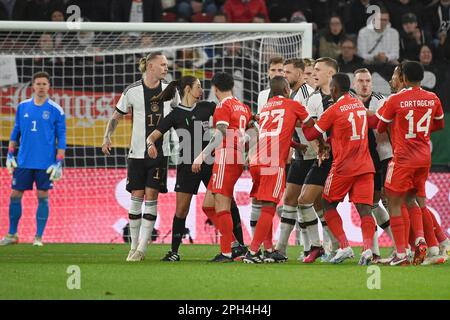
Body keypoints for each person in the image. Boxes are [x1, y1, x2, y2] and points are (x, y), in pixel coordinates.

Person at [145, 76, 246, 261]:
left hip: (210, 162)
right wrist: (149, 143)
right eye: (198, 86)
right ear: (187, 89)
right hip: (186, 165)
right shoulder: (175, 114)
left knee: (228, 203)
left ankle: (240, 245)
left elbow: (230, 117)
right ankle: (174, 252)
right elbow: (154, 135)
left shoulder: (208, 106)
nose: (202, 90)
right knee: (181, 210)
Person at [102, 52, 179, 262]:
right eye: (162, 64)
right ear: (151, 66)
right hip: (136, 153)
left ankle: (142, 249)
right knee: (136, 198)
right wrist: (107, 137)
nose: (166, 67)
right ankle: (133, 245)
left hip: (160, 153)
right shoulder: (132, 91)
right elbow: (116, 116)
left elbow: (179, 115)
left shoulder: (171, 90)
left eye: (166, 64)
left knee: (151, 197)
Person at [303, 73, 377, 265]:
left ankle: (344, 247)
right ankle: (368, 250)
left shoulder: (333, 110)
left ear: (334, 89)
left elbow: (311, 134)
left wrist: (304, 120)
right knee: (365, 210)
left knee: (327, 205)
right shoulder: (360, 106)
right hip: (365, 165)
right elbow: (372, 123)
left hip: (343, 167)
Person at [376, 61, 445, 266]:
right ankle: (421, 240)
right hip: (424, 158)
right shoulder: (433, 98)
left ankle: (401, 253)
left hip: (402, 158)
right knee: (413, 199)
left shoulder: (396, 99)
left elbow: (380, 127)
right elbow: (439, 124)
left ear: (403, 78)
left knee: (394, 202)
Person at [243, 76, 316, 263]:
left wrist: (295, 146)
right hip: (273, 162)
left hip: (257, 160)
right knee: (269, 207)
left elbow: (273, 132)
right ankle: (252, 252)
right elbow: (310, 125)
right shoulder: (293, 104)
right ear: (286, 89)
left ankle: (268, 249)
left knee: (264, 205)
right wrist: (321, 142)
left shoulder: (266, 108)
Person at [192, 72, 253, 262]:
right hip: (236, 158)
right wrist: (248, 152)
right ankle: (235, 245)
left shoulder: (223, 106)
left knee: (222, 205)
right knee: (208, 206)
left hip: (226, 156)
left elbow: (220, 134)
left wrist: (201, 156)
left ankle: (226, 252)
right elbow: (252, 131)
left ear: (215, 89)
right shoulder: (243, 107)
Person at [1, 71, 66, 247]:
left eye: (44, 84)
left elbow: (62, 138)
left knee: (42, 196)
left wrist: (59, 162)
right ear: (33, 86)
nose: (41, 87)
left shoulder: (56, 110)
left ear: (49, 87)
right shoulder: (22, 107)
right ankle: (12, 234)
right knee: (15, 194)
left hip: (45, 163)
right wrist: (9, 154)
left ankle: (38, 237)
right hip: (23, 161)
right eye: (38, 84)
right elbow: (15, 131)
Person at [297, 57, 339, 263]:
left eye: (318, 69)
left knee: (369, 203)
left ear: (330, 74)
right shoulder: (312, 99)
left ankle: (376, 250)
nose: (314, 72)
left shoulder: (344, 97)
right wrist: (319, 150)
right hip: (324, 158)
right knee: (307, 200)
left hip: (345, 159)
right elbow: (311, 131)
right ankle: (320, 246)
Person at [352, 68, 395, 263]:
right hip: (362, 161)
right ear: (354, 84)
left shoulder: (382, 101)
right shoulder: (349, 103)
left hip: (383, 158)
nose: (364, 84)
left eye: (368, 80)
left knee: (388, 202)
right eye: (360, 81)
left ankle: (402, 246)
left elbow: (382, 123)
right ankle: (376, 251)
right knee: (369, 204)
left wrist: (363, 113)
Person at [273, 58, 315, 261]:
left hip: (312, 155)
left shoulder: (307, 94)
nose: (284, 75)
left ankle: (327, 247)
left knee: (316, 205)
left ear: (299, 73)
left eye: (288, 72)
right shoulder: (291, 96)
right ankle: (282, 248)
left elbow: (312, 123)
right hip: (300, 154)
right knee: (290, 200)